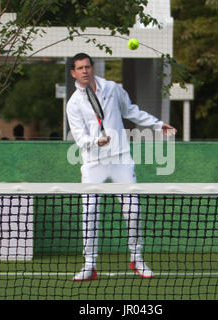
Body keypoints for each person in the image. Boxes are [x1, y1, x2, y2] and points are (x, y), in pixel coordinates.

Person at [66, 53, 176, 281]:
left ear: (92, 68)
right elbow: (79, 137)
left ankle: (137, 258)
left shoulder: (112, 89)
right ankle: (89, 264)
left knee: (133, 210)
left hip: (121, 159)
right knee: (89, 213)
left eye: (87, 66)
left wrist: (157, 124)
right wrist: (95, 142)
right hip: (93, 162)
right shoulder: (73, 104)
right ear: (73, 73)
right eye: (80, 68)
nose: (85, 70)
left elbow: (131, 110)